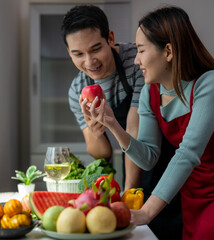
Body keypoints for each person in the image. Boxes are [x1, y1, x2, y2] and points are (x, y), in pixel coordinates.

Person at [80, 5, 214, 240]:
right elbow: (148, 158)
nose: (136, 60)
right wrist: (113, 124)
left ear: (168, 51)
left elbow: (188, 152)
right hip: (195, 186)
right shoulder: (150, 92)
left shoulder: (211, 83)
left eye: (141, 50)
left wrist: (147, 212)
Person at [61, 5, 182, 239]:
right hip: (134, 156)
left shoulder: (137, 63)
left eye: (96, 48)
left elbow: (134, 130)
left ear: (110, 38)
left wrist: (128, 196)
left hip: (164, 155)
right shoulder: (77, 89)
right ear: (69, 52)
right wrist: (96, 132)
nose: (90, 61)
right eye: (78, 54)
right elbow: (102, 154)